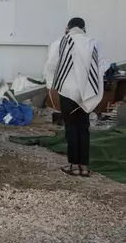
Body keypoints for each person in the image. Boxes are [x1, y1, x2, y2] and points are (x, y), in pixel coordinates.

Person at [45, 17, 104, 177]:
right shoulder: (93, 43)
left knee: (71, 127)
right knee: (84, 128)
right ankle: (84, 167)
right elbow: (101, 67)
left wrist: (50, 85)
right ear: (84, 28)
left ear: (68, 28)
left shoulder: (60, 42)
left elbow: (51, 65)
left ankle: (73, 166)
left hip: (67, 91)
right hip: (87, 92)